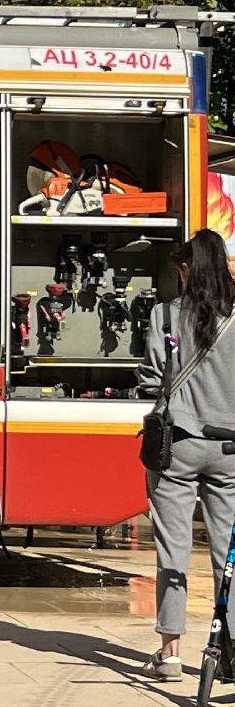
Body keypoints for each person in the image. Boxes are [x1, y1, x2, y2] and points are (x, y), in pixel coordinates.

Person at [138, 228, 235, 681]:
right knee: (228, 556)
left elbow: (151, 374)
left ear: (186, 268)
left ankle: (170, 652)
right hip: (230, 449)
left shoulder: (164, 316)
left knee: (173, 549)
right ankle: (228, 651)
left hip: (176, 447)